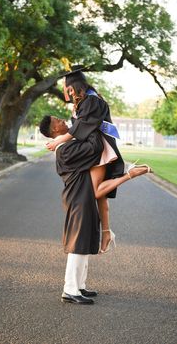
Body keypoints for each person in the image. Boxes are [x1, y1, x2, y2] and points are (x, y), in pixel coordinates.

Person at [39, 115, 151, 305]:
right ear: (54, 130)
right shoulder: (65, 150)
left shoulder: (68, 146)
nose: (63, 120)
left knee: (85, 241)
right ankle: (70, 290)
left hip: (84, 197)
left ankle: (79, 285)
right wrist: (84, 121)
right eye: (58, 120)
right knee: (78, 244)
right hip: (78, 199)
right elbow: (95, 146)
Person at [46, 67, 126, 253]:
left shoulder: (91, 100)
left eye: (67, 87)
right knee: (99, 196)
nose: (67, 91)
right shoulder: (84, 101)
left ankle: (107, 232)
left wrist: (60, 139)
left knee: (98, 192)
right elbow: (80, 127)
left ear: (73, 87)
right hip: (93, 146)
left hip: (99, 148)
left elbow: (83, 126)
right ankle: (106, 233)